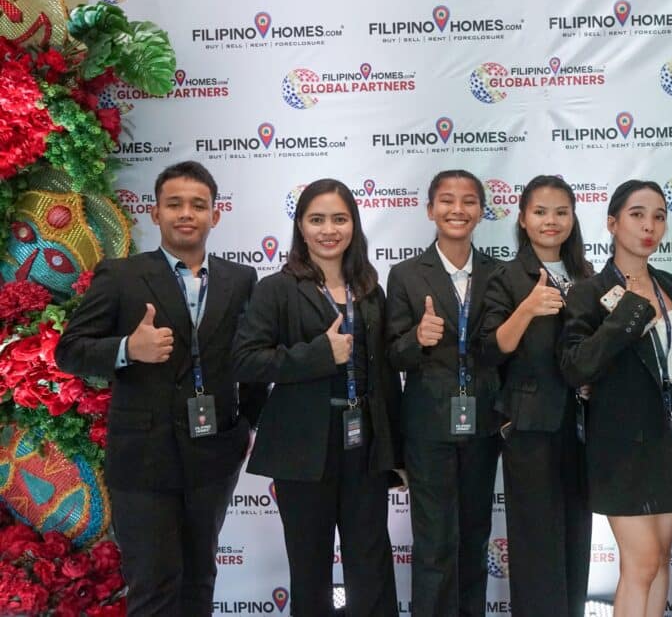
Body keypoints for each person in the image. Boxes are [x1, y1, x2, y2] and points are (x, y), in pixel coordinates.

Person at [54, 161, 263, 616]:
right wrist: (129, 347)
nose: (186, 214)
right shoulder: (121, 275)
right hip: (143, 458)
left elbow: (252, 361)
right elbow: (69, 351)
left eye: (198, 205)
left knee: (199, 580)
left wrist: (242, 425)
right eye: (174, 204)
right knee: (154, 588)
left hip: (213, 456)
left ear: (215, 214)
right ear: (155, 213)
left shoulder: (241, 279)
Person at [232, 179, 401, 616]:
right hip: (302, 448)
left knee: (372, 563)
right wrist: (318, 355)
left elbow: (384, 374)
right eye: (318, 219)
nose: (330, 229)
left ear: (354, 226)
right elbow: (246, 361)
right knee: (309, 568)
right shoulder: (277, 288)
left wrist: (396, 449)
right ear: (301, 227)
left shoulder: (369, 290)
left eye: (340, 219)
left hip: (363, 443)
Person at [561, 180, 672, 617]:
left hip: (669, 440)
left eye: (658, 215)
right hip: (619, 444)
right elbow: (576, 366)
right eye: (637, 215)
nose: (649, 225)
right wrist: (630, 314)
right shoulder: (588, 291)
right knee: (642, 562)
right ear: (613, 224)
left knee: (659, 562)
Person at [385, 169, 503, 617]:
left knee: (474, 534)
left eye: (469, 200)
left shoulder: (498, 272)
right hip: (428, 426)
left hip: (483, 422)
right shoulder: (406, 275)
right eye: (448, 201)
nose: (459, 209)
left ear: (480, 210)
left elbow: (503, 348)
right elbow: (393, 355)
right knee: (434, 541)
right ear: (430, 209)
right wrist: (419, 337)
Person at [480, 175, 594, 617]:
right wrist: (527, 307)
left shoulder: (587, 274)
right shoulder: (505, 277)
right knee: (534, 541)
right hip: (529, 424)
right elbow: (490, 348)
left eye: (561, 211)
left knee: (576, 535)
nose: (552, 221)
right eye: (541, 212)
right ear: (523, 219)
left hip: (583, 423)